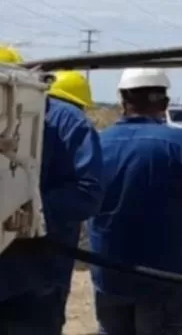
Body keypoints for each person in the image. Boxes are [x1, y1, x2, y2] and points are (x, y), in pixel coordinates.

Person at [89, 67, 182, 335]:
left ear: (123, 101)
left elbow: (83, 198)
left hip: (110, 271)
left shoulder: (97, 143)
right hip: (167, 274)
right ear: (164, 103)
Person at [0, 62, 104, 335]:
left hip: (32, 278)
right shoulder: (72, 121)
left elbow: (87, 192)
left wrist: (24, 212)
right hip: (37, 277)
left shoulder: (66, 122)